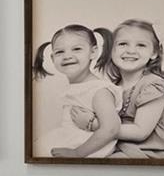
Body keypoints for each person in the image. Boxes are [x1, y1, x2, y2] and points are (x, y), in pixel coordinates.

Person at [52, 19, 164, 160]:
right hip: (122, 146)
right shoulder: (113, 86)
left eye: (141, 45)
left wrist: (94, 124)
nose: (131, 50)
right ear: (111, 50)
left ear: (154, 53)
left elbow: (140, 132)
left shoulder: (154, 86)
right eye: (122, 44)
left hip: (150, 150)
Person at [31, 25, 111, 153]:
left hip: (87, 149)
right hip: (69, 139)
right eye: (59, 52)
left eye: (77, 49)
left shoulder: (99, 90)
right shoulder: (75, 88)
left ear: (93, 52)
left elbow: (111, 129)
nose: (67, 56)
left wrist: (77, 153)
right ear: (52, 58)